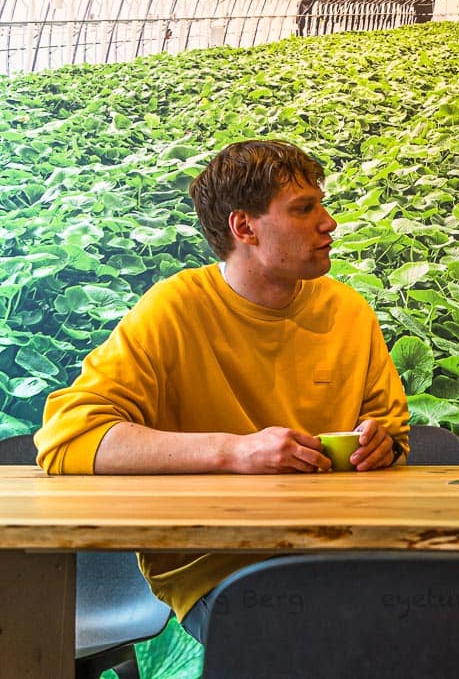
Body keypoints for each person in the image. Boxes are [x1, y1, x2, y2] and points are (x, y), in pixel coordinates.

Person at [35, 139, 410, 642]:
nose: (329, 223)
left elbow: (392, 432)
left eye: (321, 204)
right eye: (304, 209)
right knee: (324, 643)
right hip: (216, 565)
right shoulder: (173, 309)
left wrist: (381, 444)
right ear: (244, 227)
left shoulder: (349, 310)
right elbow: (66, 439)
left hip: (343, 550)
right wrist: (237, 451)